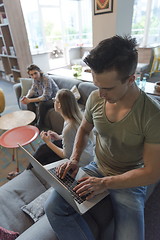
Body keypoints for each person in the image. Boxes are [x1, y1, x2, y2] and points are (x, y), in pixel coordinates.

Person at [44, 35, 160, 240]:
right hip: (97, 166)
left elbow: (152, 173)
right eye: (97, 85)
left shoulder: (152, 115)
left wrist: (105, 183)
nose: (100, 93)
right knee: (53, 207)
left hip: (130, 178)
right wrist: (74, 159)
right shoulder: (96, 98)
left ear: (131, 79)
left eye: (107, 88)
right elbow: (84, 129)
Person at [31, 88, 94, 167]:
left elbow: (65, 155)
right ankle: (30, 169)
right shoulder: (77, 118)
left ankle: (32, 170)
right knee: (44, 148)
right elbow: (74, 136)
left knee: (45, 152)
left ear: (59, 105)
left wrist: (48, 142)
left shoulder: (69, 128)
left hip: (80, 163)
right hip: (86, 154)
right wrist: (59, 137)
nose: (53, 102)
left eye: (55, 100)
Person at [21, 64, 59, 129]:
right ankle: (33, 120)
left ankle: (40, 123)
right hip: (44, 97)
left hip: (54, 99)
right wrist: (26, 97)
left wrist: (29, 100)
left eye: (35, 73)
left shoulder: (46, 79)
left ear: (39, 71)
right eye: (31, 75)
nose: (34, 76)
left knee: (42, 104)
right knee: (30, 98)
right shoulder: (35, 79)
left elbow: (46, 97)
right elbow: (32, 90)